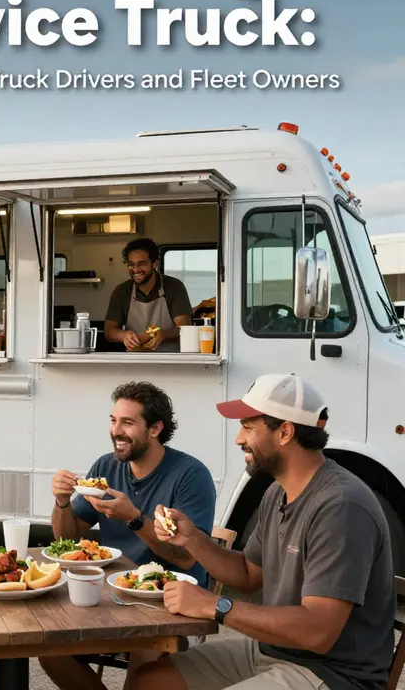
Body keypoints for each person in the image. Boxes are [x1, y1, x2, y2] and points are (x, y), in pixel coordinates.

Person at [132, 373, 396, 690]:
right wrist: (191, 538)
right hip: (273, 650)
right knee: (149, 681)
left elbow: (318, 632)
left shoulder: (341, 506)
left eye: (248, 427)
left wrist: (213, 605)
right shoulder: (277, 492)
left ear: (285, 432)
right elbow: (247, 573)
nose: (238, 439)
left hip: (332, 674)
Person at [39, 381, 216, 690]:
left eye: (128, 422)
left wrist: (134, 519)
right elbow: (66, 537)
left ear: (155, 428)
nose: (116, 431)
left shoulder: (190, 475)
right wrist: (62, 501)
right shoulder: (106, 466)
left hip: (166, 597)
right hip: (112, 591)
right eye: (113, 420)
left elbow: (188, 559)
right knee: (49, 649)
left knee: (145, 654)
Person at [104, 238, 193, 352]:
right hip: (135, 362)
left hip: (170, 360)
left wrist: (164, 334)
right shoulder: (122, 291)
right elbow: (109, 330)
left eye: (142, 264)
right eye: (131, 264)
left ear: (155, 264)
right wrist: (123, 335)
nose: (136, 269)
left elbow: (184, 328)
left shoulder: (174, 287)